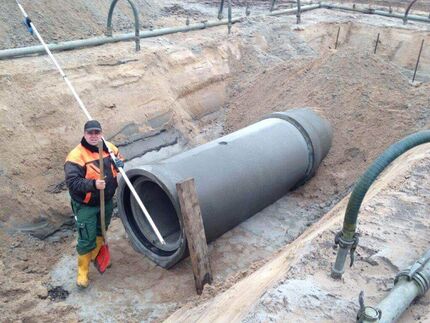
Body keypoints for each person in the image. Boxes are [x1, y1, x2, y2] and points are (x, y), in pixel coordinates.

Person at [64, 120, 124, 288]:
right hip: (86, 205)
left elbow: (119, 161)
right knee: (86, 238)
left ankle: (96, 254)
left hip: (106, 201)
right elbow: (72, 183)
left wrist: (120, 165)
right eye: (90, 133)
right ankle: (82, 272)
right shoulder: (76, 156)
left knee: (101, 230)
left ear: (101, 133)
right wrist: (93, 185)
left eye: (97, 132)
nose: (93, 136)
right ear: (84, 134)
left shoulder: (110, 148)